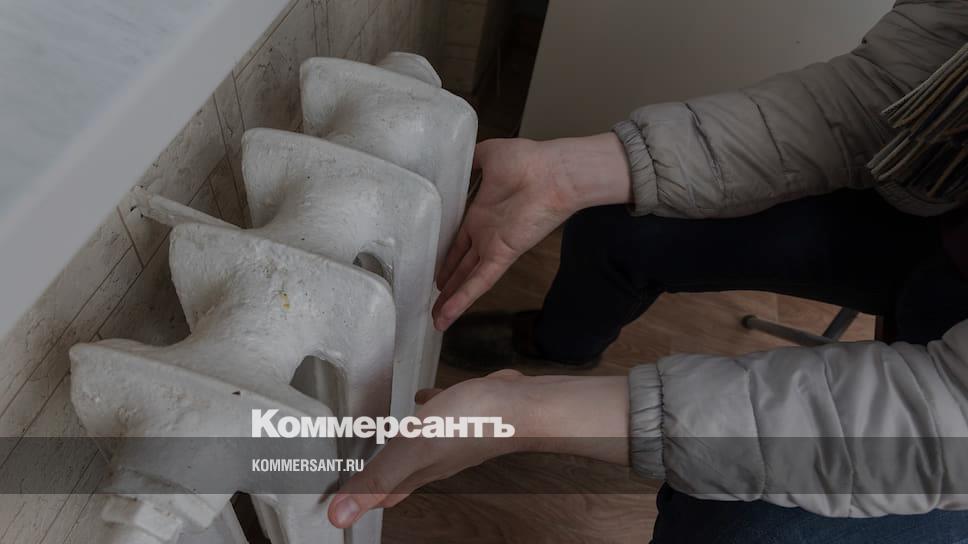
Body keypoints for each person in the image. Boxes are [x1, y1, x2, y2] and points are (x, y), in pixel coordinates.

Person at [327, 2, 968, 542]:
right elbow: (887, 89)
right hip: (941, 218)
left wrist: (526, 414)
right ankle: (562, 344)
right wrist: (569, 174)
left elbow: (944, 420)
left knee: (729, 518)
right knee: (623, 217)